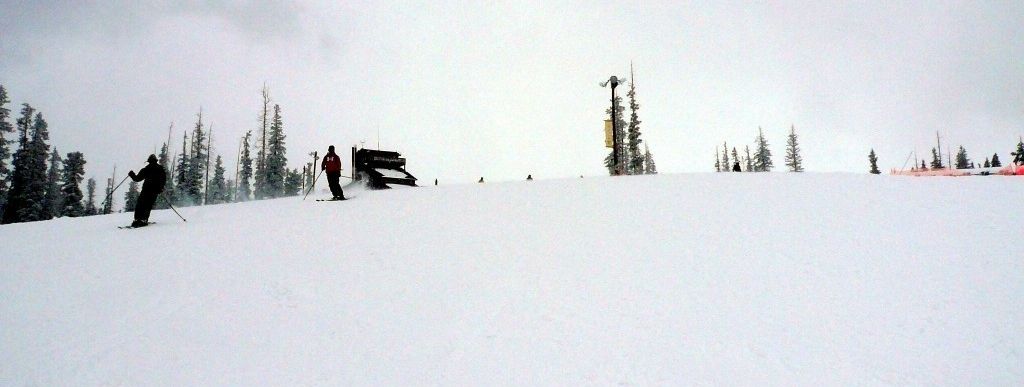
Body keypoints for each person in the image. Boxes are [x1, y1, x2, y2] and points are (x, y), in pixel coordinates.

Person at [127, 154, 167, 227]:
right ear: (155, 160)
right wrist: (160, 188)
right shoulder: (160, 168)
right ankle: (143, 220)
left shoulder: (146, 169)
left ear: (149, 161)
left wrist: (131, 174)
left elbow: (137, 179)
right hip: (154, 191)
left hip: (146, 190)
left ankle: (137, 220)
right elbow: (163, 179)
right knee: (148, 205)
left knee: (140, 204)